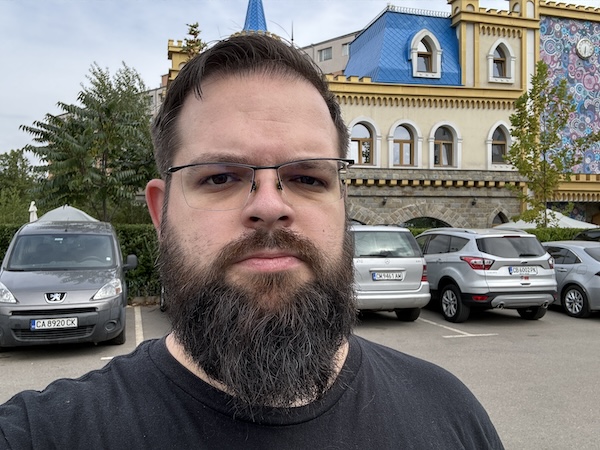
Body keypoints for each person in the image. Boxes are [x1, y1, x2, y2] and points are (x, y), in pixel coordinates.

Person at [0, 34, 504, 449]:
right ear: (161, 212)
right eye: (220, 177)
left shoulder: (451, 415)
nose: (269, 205)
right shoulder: (46, 433)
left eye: (308, 178)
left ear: (343, 201)